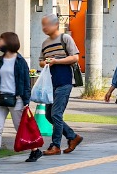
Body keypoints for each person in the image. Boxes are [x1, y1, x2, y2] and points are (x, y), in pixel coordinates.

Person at [0, 32, 41, 165]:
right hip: (0, 98)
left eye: (0, 40)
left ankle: (35, 150)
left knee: (20, 127)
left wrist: (26, 102)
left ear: (8, 42)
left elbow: (26, 83)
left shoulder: (20, 61)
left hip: (17, 99)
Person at [39, 13, 84, 156]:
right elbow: (40, 61)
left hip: (64, 81)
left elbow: (75, 57)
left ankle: (55, 145)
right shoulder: (45, 43)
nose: (44, 27)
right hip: (50, 83)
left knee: (56, 114)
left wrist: (56, 61)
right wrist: (46, 62)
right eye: (43, 25)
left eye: (47, 24)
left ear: (55, 25)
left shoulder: (65, 38)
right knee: (49, 115)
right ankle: (72, 136)